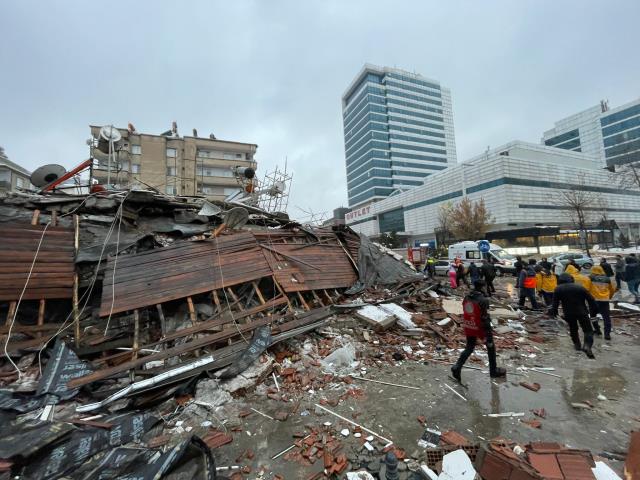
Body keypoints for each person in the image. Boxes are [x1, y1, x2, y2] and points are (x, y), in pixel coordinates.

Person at [451, 279, 506, 382]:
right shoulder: (483, 300)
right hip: (481, 327)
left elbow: (465, 309)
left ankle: (457, 366)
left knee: (469, 347)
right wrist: (488, 330)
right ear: (482, 287)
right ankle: (493, 371)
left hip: (469, 325)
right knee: (490, 348)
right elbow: (484, 316)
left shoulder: (467, 297)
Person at [550, 273, 598, 358]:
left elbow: (555, 304)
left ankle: (577, 346)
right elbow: (591, 300)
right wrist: (594, 311)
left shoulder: (558, 289)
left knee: (573, 329)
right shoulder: (580, 287)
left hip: (569, 313)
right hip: (582, 312)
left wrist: (554, 314)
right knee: (588, 331)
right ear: (571, 279)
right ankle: (587, 346)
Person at [589, 265, 616, 340]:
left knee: (593, 316)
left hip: (593, 300)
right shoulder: (607, 279)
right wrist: (609, 297)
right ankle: (607, 334)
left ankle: (597, 330)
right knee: (606, 317)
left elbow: (587, 288)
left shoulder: (590, 278)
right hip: (604, 300)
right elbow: (612, 289)